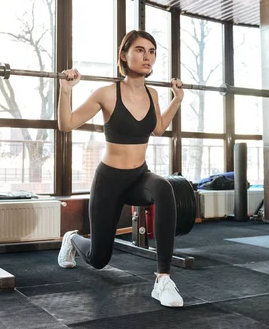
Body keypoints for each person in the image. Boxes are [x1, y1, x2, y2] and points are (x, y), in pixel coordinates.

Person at [57, 30, 185, 308]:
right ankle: (73, 239)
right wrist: (66, 90)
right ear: (124, 56)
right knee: (99, 259)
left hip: (139, 176)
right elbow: (66, 124)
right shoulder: (106, 93)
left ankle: (162, 279)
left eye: (152, 51)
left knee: (163, 186)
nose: (147, 56)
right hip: (109, 181)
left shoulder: (152, 93)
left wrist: (177, 99)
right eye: (140, 50)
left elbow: (159, 128)